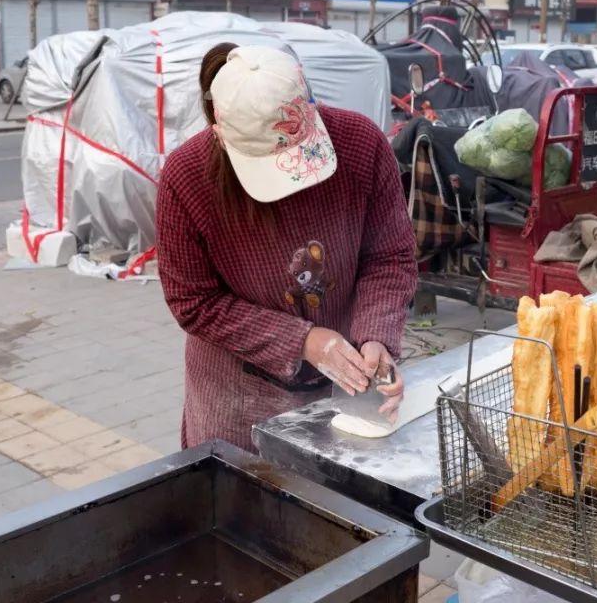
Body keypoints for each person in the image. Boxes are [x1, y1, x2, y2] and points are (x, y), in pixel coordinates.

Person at [156, 43, 417, 452]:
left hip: (343, 384)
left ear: (309, 104)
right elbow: (193, 300)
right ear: (222, 136)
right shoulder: (187, 177)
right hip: (236, 394)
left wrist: (375, 338)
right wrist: (303, 341)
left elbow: (389, 256)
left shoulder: (361, 145)